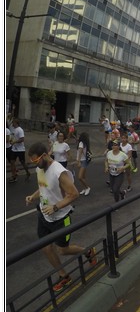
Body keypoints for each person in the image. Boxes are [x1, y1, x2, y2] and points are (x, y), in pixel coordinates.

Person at [25, 142, 96, 293]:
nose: (35, 164)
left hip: (61, 217)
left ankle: (88, 251)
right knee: (46, 247)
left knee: (63, 250)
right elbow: (43, 186)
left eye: (36, 160)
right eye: (32, 161)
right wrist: (33, 196)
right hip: (44, 216)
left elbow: (74, 194)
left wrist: (55, 207)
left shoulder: (59, 171)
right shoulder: (40, 168)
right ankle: (64, 276)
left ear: (45, 155)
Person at [9, 118, 30, 182]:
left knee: (22, 162)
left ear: (16, 123)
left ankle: (27, 172)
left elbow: (22, 139)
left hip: (20, 150)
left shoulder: (20, 130)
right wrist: (11, 140)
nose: (12, 124)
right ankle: (14, 176)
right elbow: (13, 137)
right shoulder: (13, 129)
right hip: (14, 149)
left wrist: (14, 142)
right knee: (12, 162)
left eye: (13, 122)